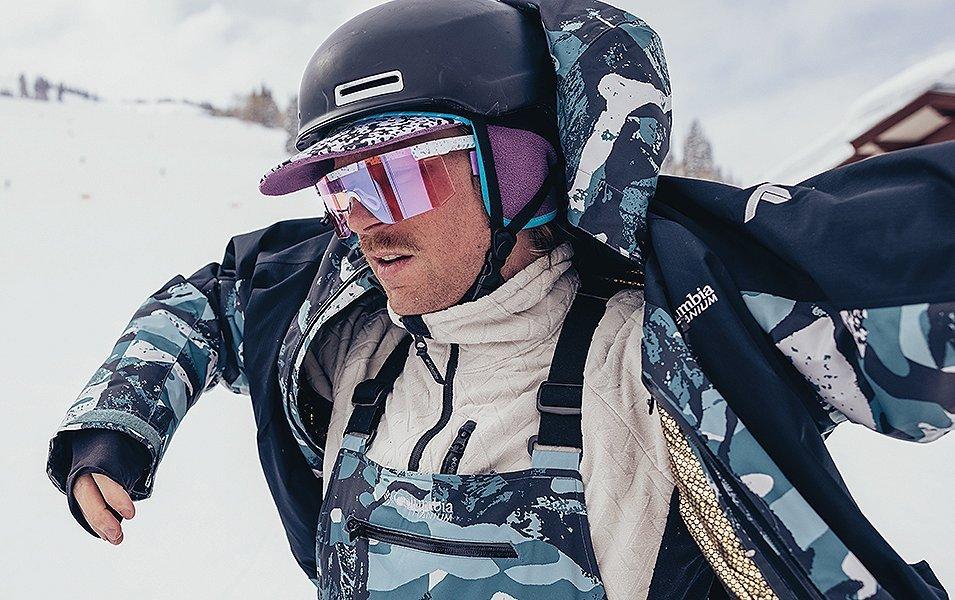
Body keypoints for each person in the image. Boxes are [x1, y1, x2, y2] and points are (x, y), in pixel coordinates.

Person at [47, 1, 955, 598]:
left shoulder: (666, 348)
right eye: (338, 188)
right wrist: (122, 420)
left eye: (394, 175)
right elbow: (213, 297)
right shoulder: (346, 320)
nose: (360, 223)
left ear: (517, 167)